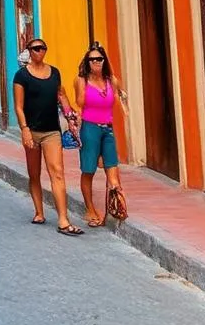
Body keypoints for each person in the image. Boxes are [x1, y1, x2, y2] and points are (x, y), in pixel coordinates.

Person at [13, 38, 83, 236]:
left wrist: (70, 116)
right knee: (34, 173)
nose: (39, 51)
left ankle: (63, 219)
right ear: (29, 51)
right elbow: (18, 106)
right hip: (32, 130)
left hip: (52, 131)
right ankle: (39, 212)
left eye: (42, 48)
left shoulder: (54, 73)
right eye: (35, 49)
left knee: (57, 172)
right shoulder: (21, 76)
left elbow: (60, 96)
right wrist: (24, 129)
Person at [75, 45, 127, 227]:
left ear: (105, 61)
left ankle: (113, 208)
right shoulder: (81, 80)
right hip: (90, 127)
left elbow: (119, 101)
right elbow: (80, 103)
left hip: (108, 128)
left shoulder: (112, 80)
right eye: (92, 60)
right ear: (87, 63)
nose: (96, 62)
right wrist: (86, 83)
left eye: (99, 59)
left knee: (112, 170)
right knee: (88, 170)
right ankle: (89, 209)